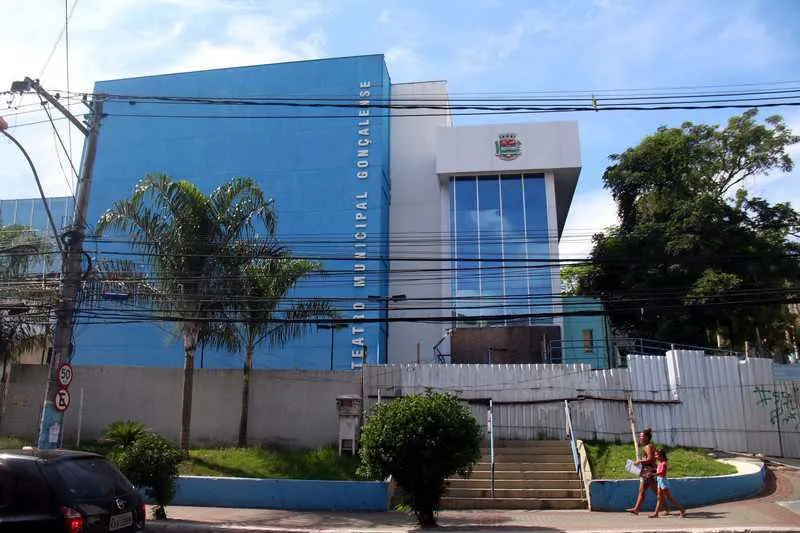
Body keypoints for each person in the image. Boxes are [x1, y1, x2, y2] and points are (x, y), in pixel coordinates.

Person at [625, 427, 668, 515]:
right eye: (640, 436)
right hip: (646, 472)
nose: (640, 438)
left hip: (649, 472)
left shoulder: (648, 447)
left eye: (642, 436)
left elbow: (650, 459)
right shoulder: (647, 446)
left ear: (647, 438)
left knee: (656, 492)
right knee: (642, 491)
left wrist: (639, 461)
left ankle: (667, 508)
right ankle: (636, 509)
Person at [649, 448, 686, 518]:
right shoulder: (659, 463)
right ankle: (656, 513)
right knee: (659, 497)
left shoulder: (664, 463)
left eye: (656, 455)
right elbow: (658, 470)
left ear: (661, 456)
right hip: (659, 480)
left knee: (669, 498)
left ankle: (682, 510)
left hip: (663, 481)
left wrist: (653, 474)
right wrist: (653, 471)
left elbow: (662, 472)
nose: (655, 456)